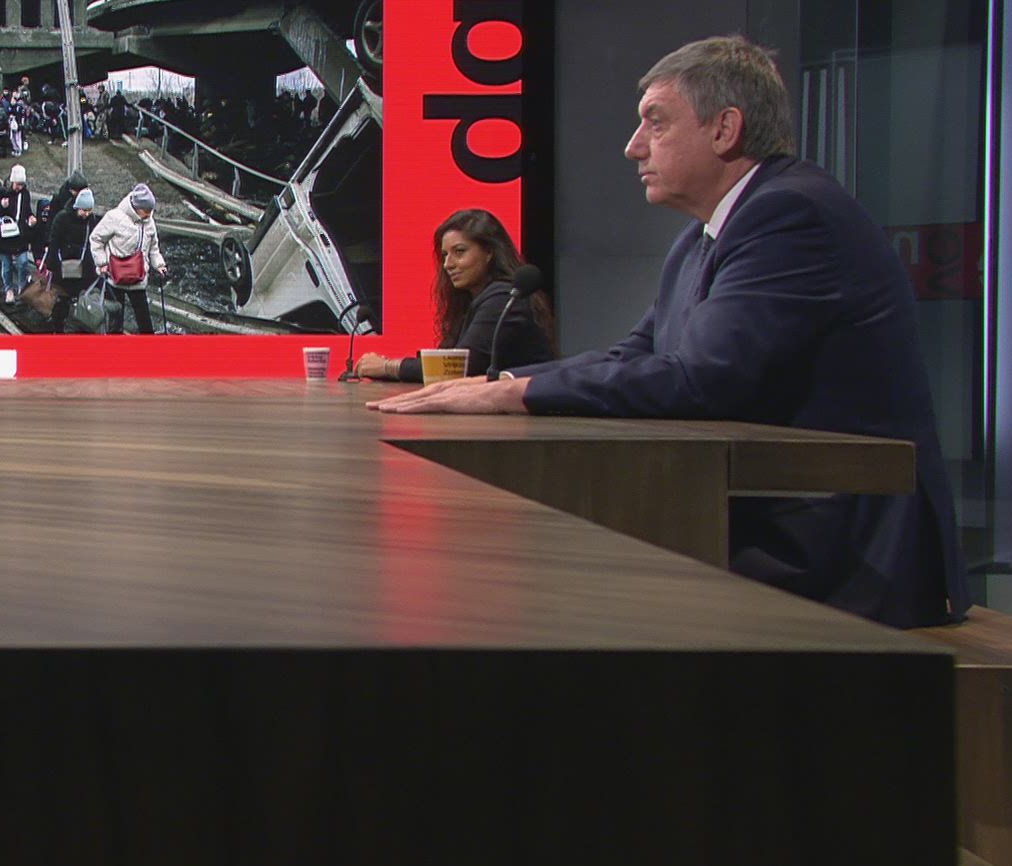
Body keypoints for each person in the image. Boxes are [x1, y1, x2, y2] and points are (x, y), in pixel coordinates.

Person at [373, 35, 968, 628]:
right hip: (764, 519)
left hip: (835, 544)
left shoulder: (789, 215)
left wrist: (513, 395)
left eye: (655, 124)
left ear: (724, 129)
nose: (633, 146)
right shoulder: (704, 234)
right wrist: (499, 383)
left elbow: (704, 379)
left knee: (536, 590)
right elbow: (634, 353)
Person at [357, 209, 555, 381]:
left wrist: (387, 367)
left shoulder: (503, 299)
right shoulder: (473, 299)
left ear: (489, 252)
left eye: (459, 252)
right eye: (445, 255)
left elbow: (459, 367)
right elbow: (446, 359)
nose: (447, 264)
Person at [89, 183, 170, 334]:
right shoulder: (114, 217)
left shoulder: (149, 222)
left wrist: (159, 264)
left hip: (138, 278)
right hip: (115, 277)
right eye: (146, 211)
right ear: (136, 207)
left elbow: (153, 247)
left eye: (150, 210)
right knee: (115, 320)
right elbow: (96, 239)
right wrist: (102, 263)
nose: (149, 214)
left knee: (144, 320)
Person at [46, 188, 97, 333]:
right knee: (61, 298)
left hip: (83, 266)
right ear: (77, 207)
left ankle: (77, 324)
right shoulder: (62, 218)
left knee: (80, 296)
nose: (86, 214)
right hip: (63, 264)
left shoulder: (91, 221)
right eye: (84, 210)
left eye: (89, 210)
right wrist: (52, 264)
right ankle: (58, 326)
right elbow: (54, 241)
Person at [0, 163, 38, 303]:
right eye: (17, 184)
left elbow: (26, 210)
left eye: (22, 185)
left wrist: (30, 217)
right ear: (12, 181)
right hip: (5, 234)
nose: (19, 187)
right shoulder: (2, 192)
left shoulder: (25, 194)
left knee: (23, 262)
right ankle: (8, 290)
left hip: (20, 234)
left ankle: (22, 288)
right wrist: (0, 205)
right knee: (7, 265)